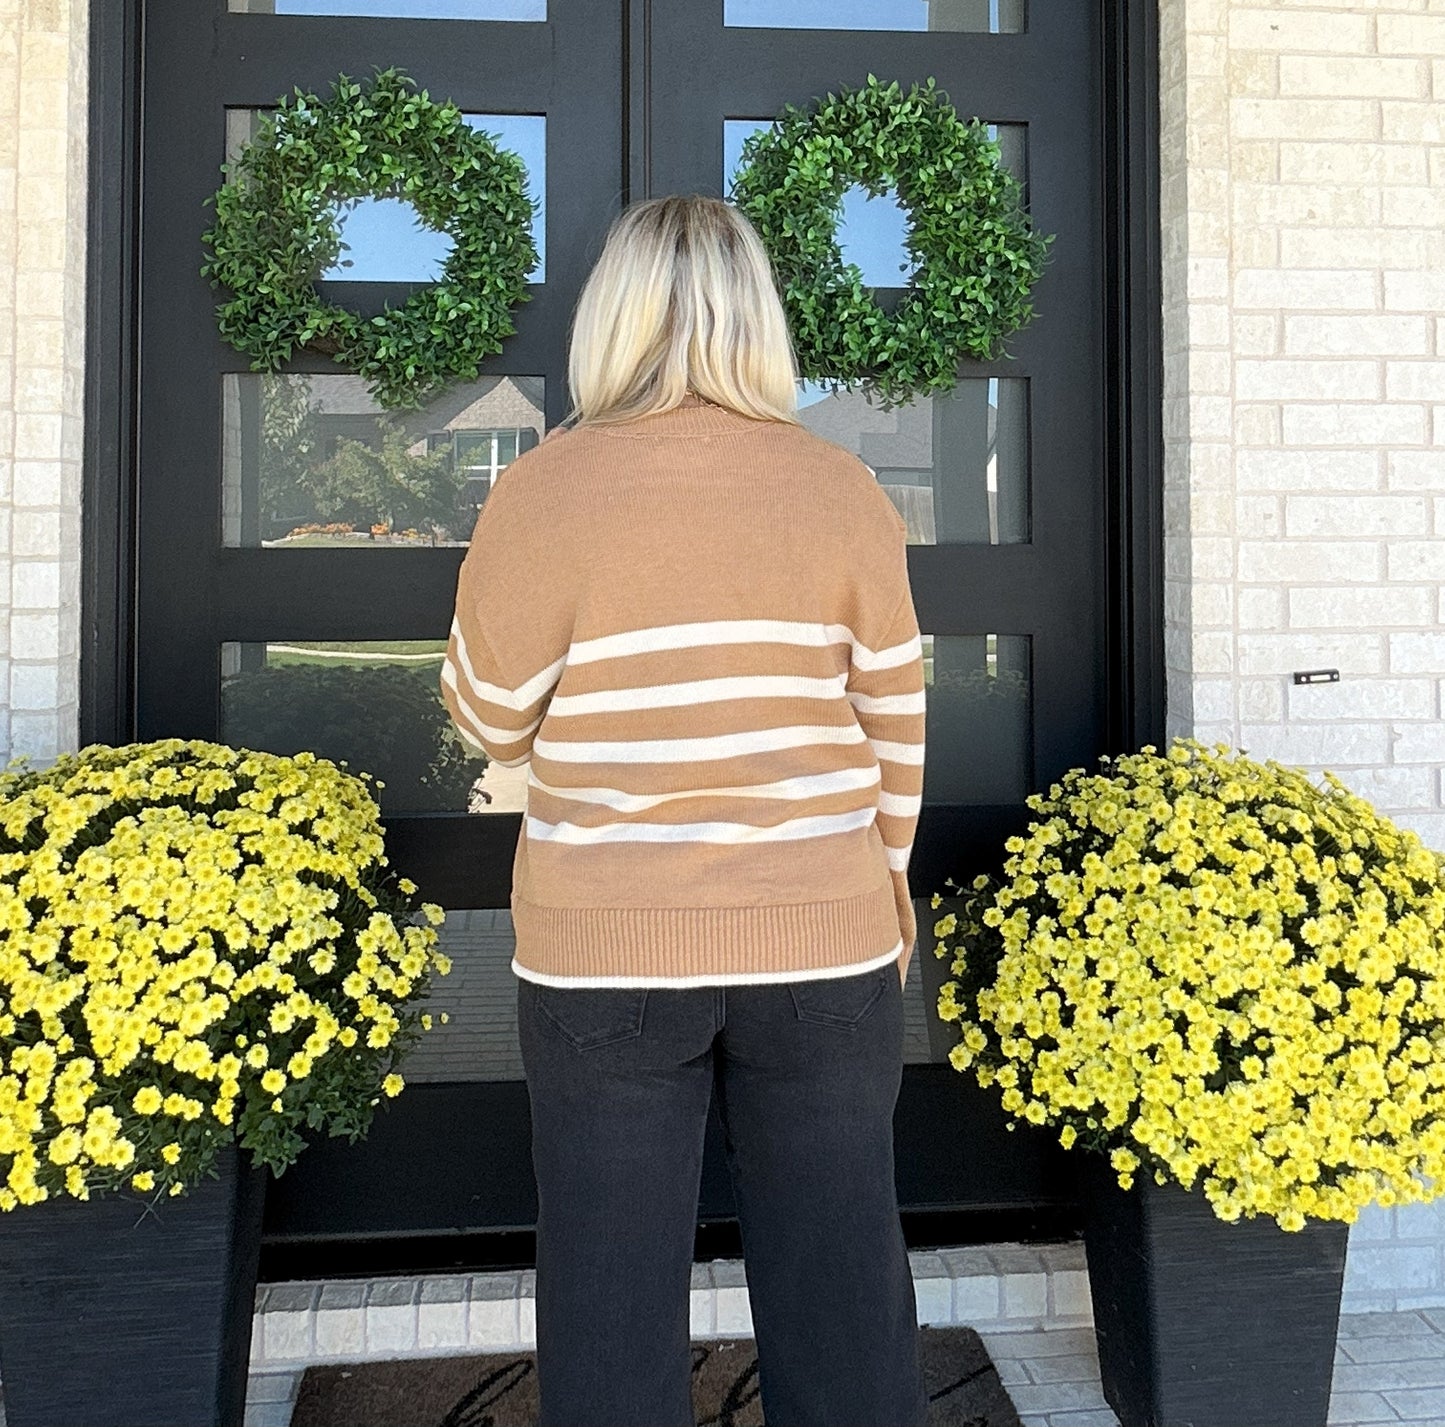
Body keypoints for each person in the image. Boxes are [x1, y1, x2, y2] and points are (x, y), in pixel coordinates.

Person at [439, 193, 930, 1427]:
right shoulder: (843, 489)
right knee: (842, 1293)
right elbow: (894, 729)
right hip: (826, 942)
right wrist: (885, 882)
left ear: (612, 318)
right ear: (756, 318)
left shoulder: (543, 489)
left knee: (607, 1303)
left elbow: (489, 718)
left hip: (603, 952)